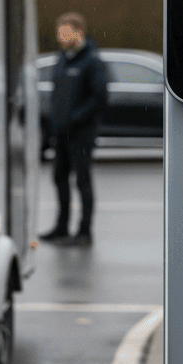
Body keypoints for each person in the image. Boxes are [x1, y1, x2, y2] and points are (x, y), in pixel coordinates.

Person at [39, 13, 109, 246]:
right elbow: (58, 96)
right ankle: (61, 228)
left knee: (82, 181)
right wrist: (54, 123)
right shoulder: (62, 59)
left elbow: (99, 98)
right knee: (59, 178)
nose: (59, 36)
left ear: (77, 32)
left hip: (81, 135)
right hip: (61, 134)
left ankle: (84, 231)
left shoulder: (92, 61)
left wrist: (75, 119)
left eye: (63, 32)